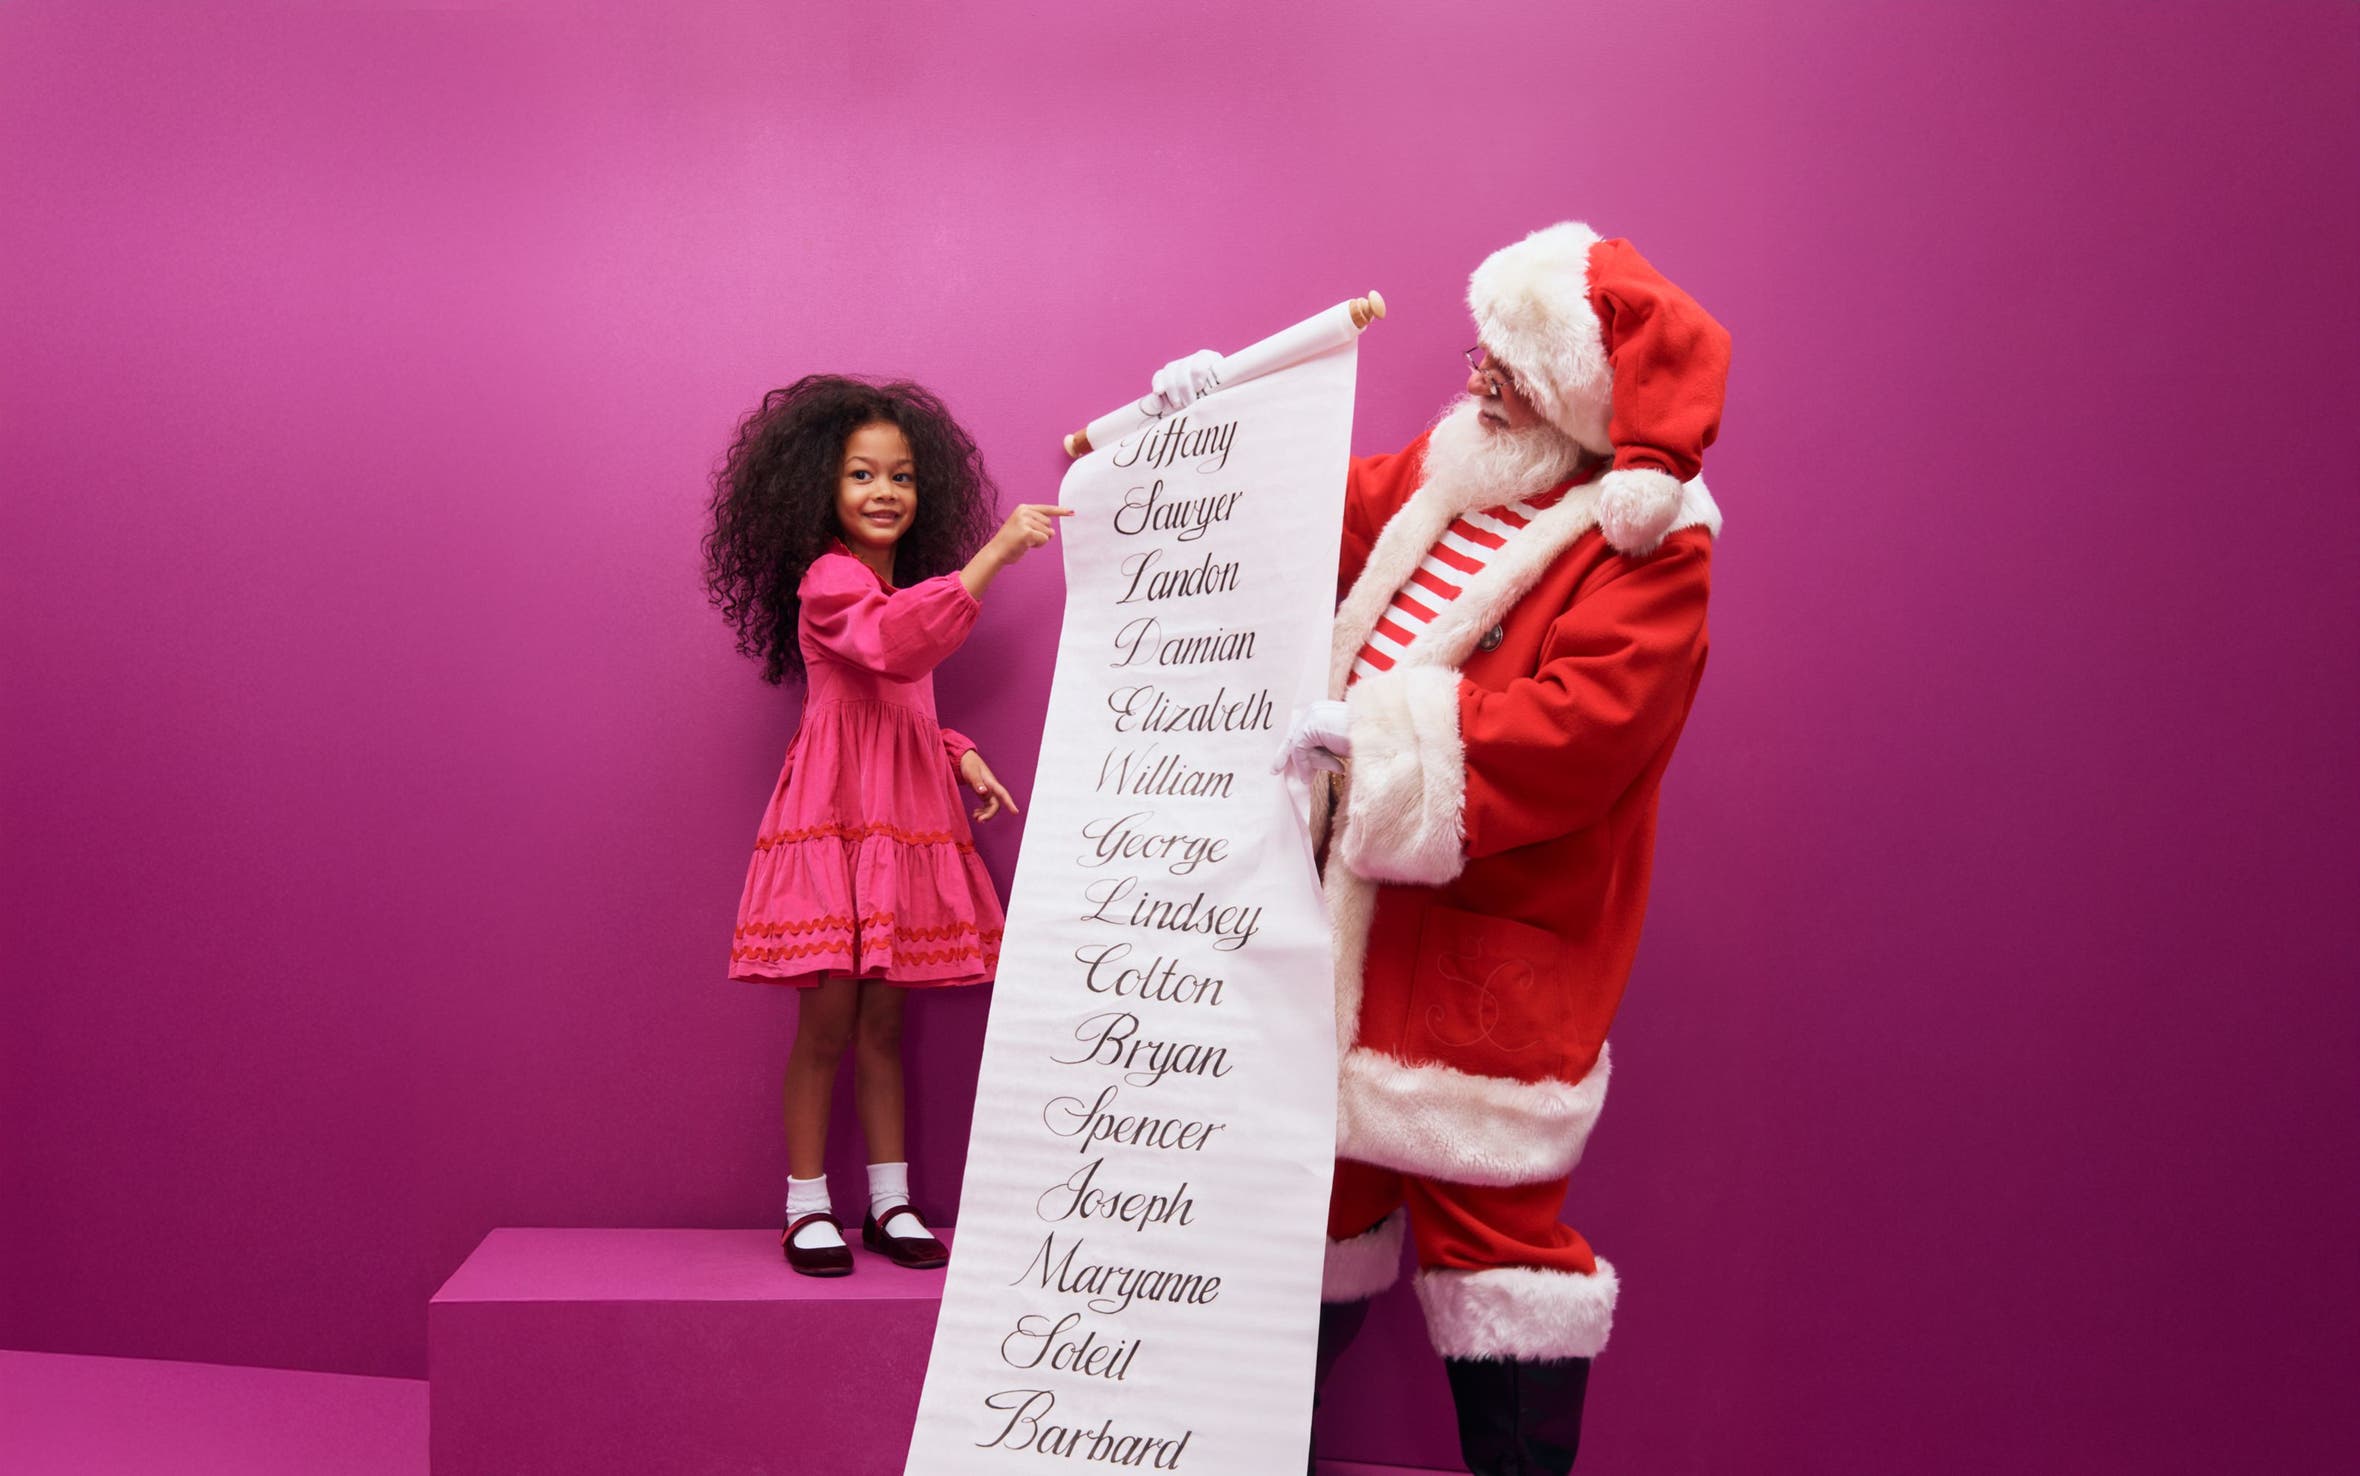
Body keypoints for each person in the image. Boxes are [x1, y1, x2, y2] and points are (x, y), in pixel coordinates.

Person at [1155, 221, 1731, 1473]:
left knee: (1500, 1260)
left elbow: (1583, 731)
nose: (1480, 375)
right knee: (1305, 1225)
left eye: (1514, 364)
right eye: (1485, 349)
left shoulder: (1653, 545)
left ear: (1584, 394)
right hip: (1337, 934)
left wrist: (1379, 740)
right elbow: (1324, 510)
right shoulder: (1461, 464)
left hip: (1478, 959)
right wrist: (1213, 432)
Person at [703, 375, 1069, 1277]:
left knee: (883, 1027)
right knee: (826, 1024)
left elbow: (898, 691)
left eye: (900, 476)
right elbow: (888, 646)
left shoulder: (891, 587)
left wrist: (954, 750)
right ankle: (805, 1205)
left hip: (899, 822)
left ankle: (891, 1200)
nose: (884, 492)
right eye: (862, 474)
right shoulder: (830, 579)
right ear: (819, 488)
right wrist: (994, 556)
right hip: (835, 823)